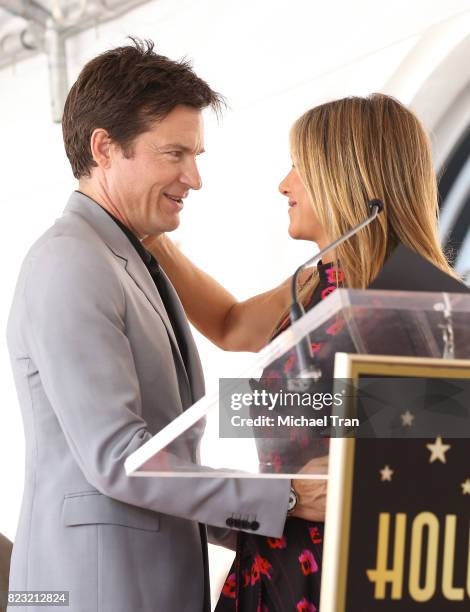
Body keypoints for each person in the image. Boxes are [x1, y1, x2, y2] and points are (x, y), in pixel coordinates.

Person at [6, 38, 322, 612]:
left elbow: (163, 454)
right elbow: (121, 459)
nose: (194, 178)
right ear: (104, 148)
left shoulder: (130, 257)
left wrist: (270, 520)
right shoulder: (70, 260)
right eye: (175, 154)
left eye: (195, 155)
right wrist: (287, 495)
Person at [143, 93, 458, 610]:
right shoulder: (314, 286)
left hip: (352, 576)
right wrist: (153, 237)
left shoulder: (414, 303)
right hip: (276, 557)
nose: (283, 185)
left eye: (299, 167)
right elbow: (229, 323)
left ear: (345, 176)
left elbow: (433, 458)